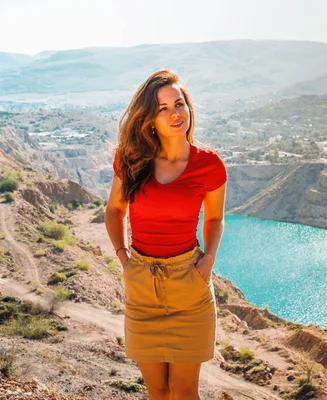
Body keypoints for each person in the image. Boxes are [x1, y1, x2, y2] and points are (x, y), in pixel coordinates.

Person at [105, 69, 227, 400]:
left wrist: (208, 262)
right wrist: (124, 260)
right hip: (142, 284)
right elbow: (115, 212)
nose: (175, 114)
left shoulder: (210, 165)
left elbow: (215, 219)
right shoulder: (131, 160)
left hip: (190, 285)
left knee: (184, 392)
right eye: (163, 108)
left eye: (179, 104)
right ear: (150, 119)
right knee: (158, 392)